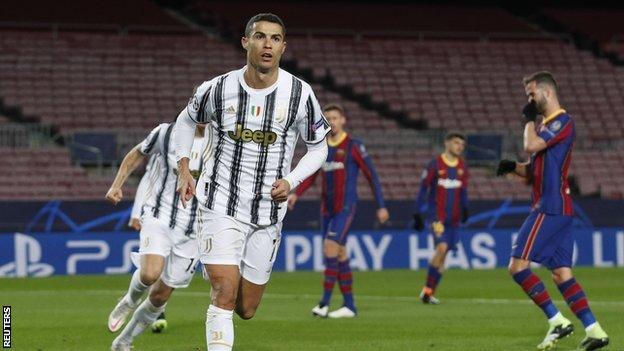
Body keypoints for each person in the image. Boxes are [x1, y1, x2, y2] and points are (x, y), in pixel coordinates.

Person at [173, 13, 330, 351]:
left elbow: (319, 148)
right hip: (219, 203)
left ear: (283, 47)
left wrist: (292, 180)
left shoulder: (299, 94)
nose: (267, 44)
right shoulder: (217, 88)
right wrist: (184, 168)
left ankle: (219, 269)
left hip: (267, 214)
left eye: (275, 39)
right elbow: (185, 123)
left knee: (246, 308)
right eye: (260, 36)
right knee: (224, 291)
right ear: (246, 42)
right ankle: (218, 270)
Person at [497, 71, 608, 351]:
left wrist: (526, 121)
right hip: (558, 207)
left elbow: (529, 144)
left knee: (517, 266)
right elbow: (531, 173)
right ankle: (595, 330)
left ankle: (556, 320)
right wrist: (512, 168)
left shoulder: (562, 121)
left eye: (531, 94)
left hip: (550, 206)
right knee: (561, 274)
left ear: (546, 92)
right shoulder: (546, 127)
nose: (529, 99)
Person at [106, 122, 211, 351]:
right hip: (159, 215)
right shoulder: (167, 132)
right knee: (150, 273)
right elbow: (137, 153)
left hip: (194, 229)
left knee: (160, 296)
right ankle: (129, 301)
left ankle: (124, 342)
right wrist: (116, 185)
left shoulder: (222, 141)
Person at [288, 103, 389, 318]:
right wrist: (296, 193)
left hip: (346, 207)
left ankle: (324, 303)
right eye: (328, 118)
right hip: (327, 209)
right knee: (339, 253)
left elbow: (372, 176)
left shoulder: (353, 146)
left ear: (342, 120)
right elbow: (312, 175)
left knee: (330, 248)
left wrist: (380, 205)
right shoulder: (321, 147)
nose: (331, 122)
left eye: (335, 118)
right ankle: (349, 306)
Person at [412, 132, 469, 304]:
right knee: (442, 247)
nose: (459, 146)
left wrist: (466, 209)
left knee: (444, 258)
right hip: (437, 217)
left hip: (454, 219)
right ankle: (426, 292)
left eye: (462, 144)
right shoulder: (434, 165)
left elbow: (464, 191)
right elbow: (423, 189)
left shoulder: (462, 166)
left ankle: (428, 292)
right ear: (447, 143)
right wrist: (417, 213)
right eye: (456, 142)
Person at [127, 156, 168, 332]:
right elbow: (147, 179)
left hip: (183, 220)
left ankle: (155, 307)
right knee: (155, 269)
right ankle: (158, 311)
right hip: (155, 217)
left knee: (168, 270)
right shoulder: (163, 149)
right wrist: (136, 212)